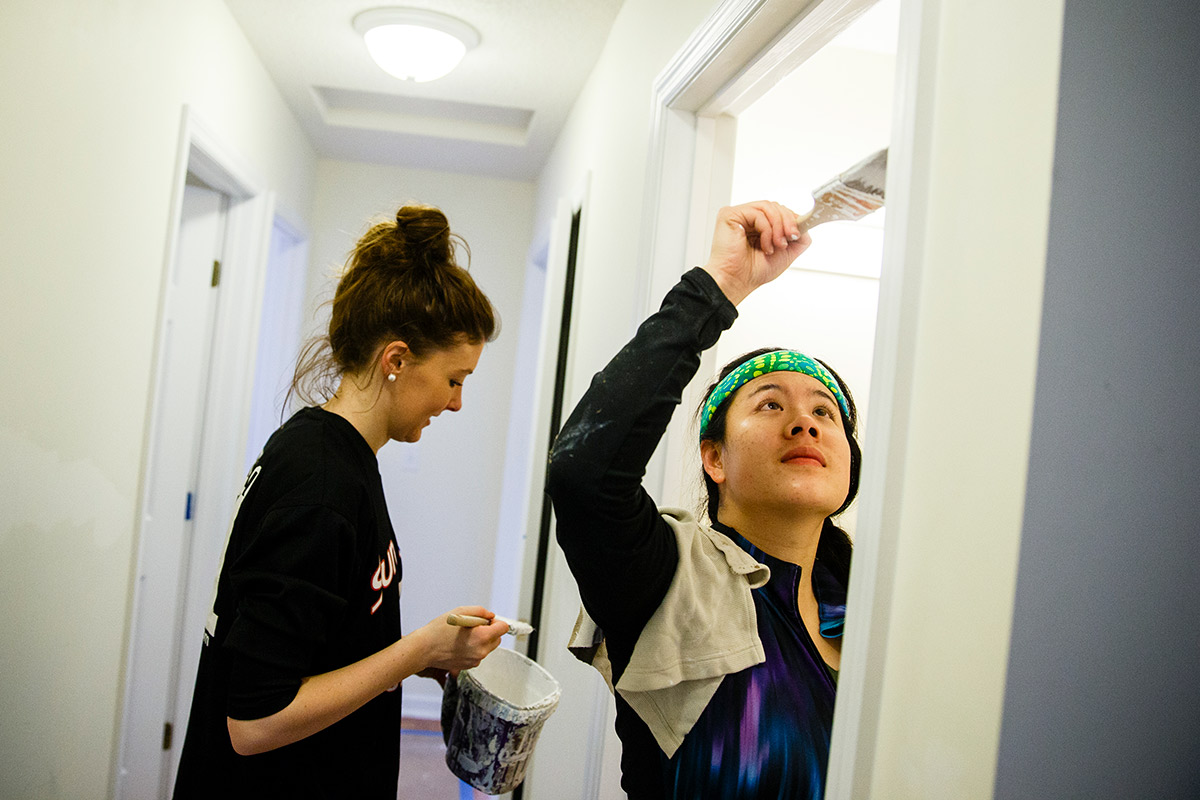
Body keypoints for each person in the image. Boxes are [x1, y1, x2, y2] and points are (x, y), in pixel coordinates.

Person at [173, 204, 510, 799]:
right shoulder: (319, 484)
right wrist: (412, 651)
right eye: (455, 379)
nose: (456, 403)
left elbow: (318, 637)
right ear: (397, 360)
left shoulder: (339, 458)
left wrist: (422, 656)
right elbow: (254, 722)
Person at [547, 200, 861, 799]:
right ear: (713, 458)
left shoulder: (873, 611)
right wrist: (721, 286)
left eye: (825, 412)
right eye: (771, 404)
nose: (805, 423)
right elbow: (584, 471)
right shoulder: (667, 579)